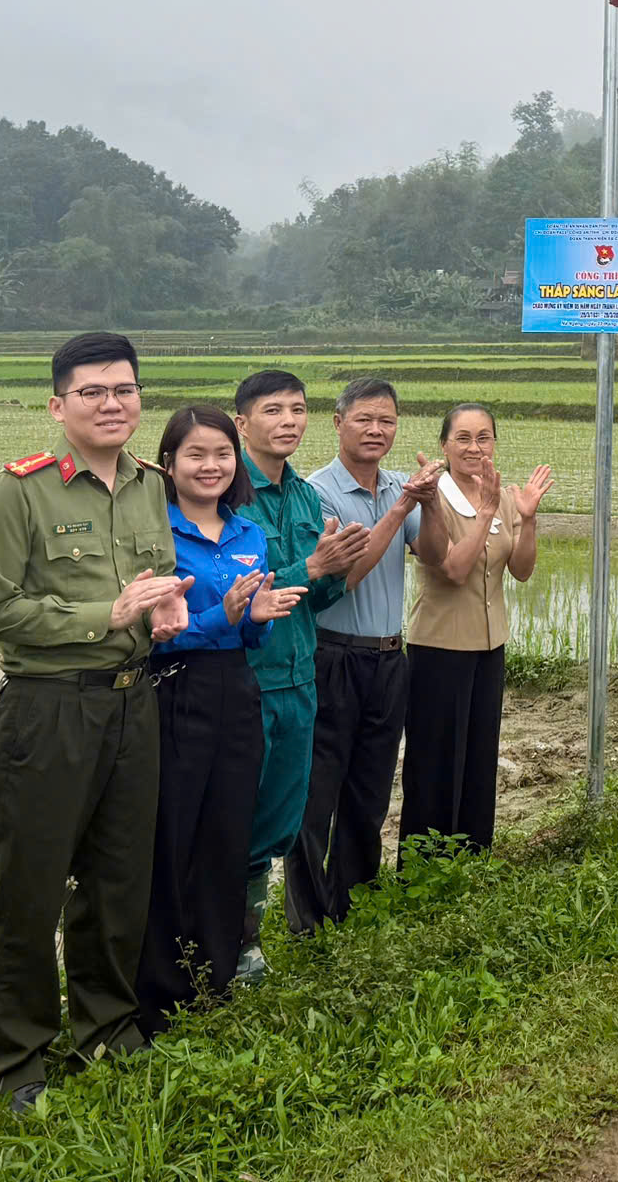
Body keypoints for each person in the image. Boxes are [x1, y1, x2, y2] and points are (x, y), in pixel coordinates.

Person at [0, 331, 191, 1111]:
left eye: (124, 390)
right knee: (30, 891)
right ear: (57, 404)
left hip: (134, 701)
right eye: (93, 392)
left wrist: (166, 605)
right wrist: (109, 611)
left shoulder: (148, 483)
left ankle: (107, 1030)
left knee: (117, 880)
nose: (111, 404)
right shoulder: (19, 491)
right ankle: (12, 1065)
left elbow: (156, 579)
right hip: (49, 709)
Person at [137, 405, 303, 1038]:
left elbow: (249, 639)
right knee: (172, 837)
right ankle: (161, 991)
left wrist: (255, 617)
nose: (211, 466)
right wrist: (224, 617)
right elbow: (154, 641)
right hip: (175, 695)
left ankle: (217, 972)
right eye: (196, 455)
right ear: (170, 464)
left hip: (238, 694)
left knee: (228, 834)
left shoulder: (249, 534)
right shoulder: (157, 537)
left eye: (222, 454)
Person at [230, 370, 375, 980]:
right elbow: (236, 593)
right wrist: (311, 563)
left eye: (297, 409)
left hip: (299, 677)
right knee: (231, 815)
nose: (288, 421)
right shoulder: (226, 491)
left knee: (277, 819)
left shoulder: (305, 498)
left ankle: (246, 941)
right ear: (242, 423)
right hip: (246, 678)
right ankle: (217, 946)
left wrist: (332, 570)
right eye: (272, 410)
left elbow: (313, 600)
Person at [291, 380, 439, 933]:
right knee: (317, 794)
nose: (377, 431)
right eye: (365, 420)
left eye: (388, 421)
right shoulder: (317, 494)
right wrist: (403, 507)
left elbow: (435, 555)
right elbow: (345, 577)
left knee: (370, 791)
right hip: (333, 658)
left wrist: (430, 502)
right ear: (337, 422)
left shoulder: (401, 484)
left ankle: (354, 906)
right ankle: (308, 922)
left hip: (388, 659)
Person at [401, 404, 551, 849]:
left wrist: (529, 518)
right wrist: (485, 512)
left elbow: (521, 571)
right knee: (435, 761)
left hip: (489, 646)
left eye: (483, 437)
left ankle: (472, 856)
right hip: (439, 647)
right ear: (444, 446)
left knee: (479, 755)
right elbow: (452, 569)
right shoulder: (434, 497)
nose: (474, 447)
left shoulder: (503, 494)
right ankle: (426, 863)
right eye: (463, 438)